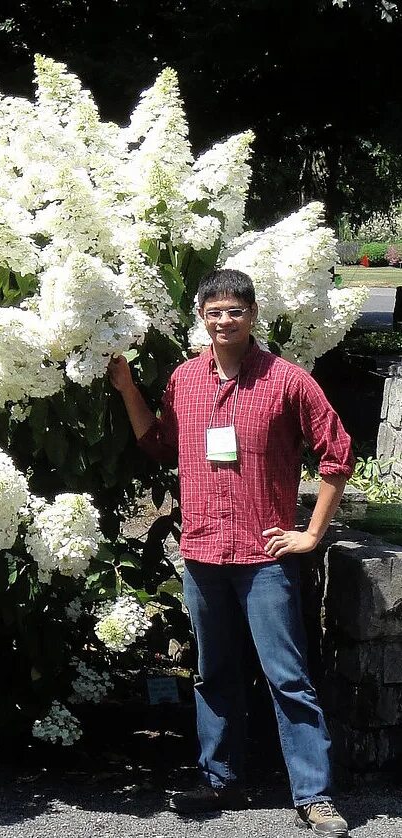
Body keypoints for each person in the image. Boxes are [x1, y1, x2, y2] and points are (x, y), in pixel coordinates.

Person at [108, 269, 353, 837]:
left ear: (253, 316)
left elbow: (337, 454)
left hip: (264, 556)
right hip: (203, 553)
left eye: (235, 312)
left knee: (286, 676)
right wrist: (125, 389)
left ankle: (314, 796)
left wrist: (311, 534)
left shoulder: (288, 382)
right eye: (214, 311)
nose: (225, 321)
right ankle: (220, 778)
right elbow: (158, 443)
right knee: (213, 672)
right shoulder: (185, 380)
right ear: (201, 316)